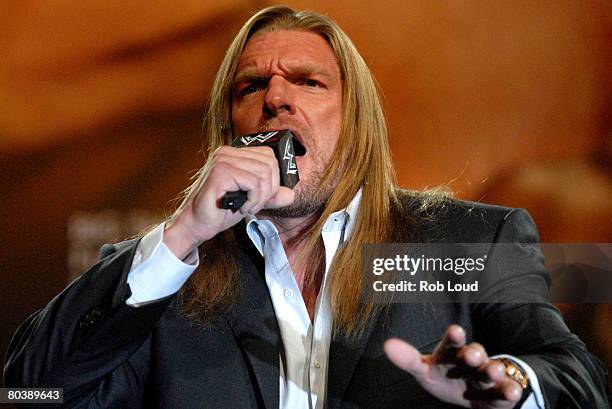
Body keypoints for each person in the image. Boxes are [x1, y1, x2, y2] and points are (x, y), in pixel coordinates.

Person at [3, 6, 609, 409]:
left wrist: (513, 386)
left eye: (308, 82)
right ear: (228, 127)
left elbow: (583, 381)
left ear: (357, 124)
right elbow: (29, 394)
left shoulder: (467, 245)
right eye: (251, 87)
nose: (276, 100)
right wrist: (186, 231)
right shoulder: (164, 276)